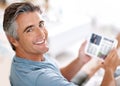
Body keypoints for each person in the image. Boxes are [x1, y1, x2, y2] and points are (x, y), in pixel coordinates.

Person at [2, 2, 120, 86]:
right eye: (29, 29)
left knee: (97, 64)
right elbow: (52, 80)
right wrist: (109, 70)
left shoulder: (30, 56)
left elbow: (59, 75)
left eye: (41, 24)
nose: (42, 34)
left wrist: (80, 60)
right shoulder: (40, 78)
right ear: (13, 40)